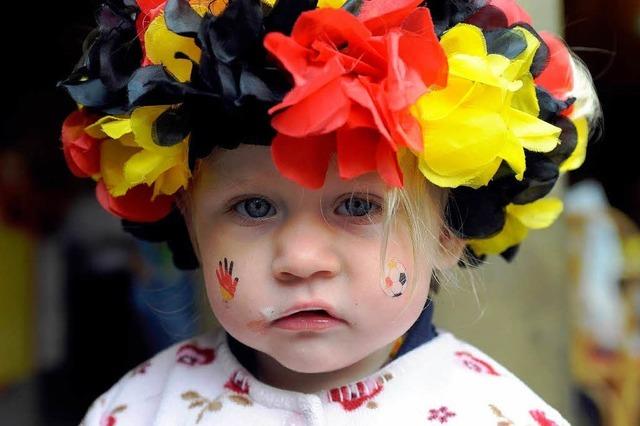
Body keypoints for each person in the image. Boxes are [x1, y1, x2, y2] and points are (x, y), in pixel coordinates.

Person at [59, 0, 600, 423]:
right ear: (188, 219)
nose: (301, 258)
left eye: (358, 205)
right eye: (252, 205)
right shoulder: (135, 412)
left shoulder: (498, 415)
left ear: (449, 230)